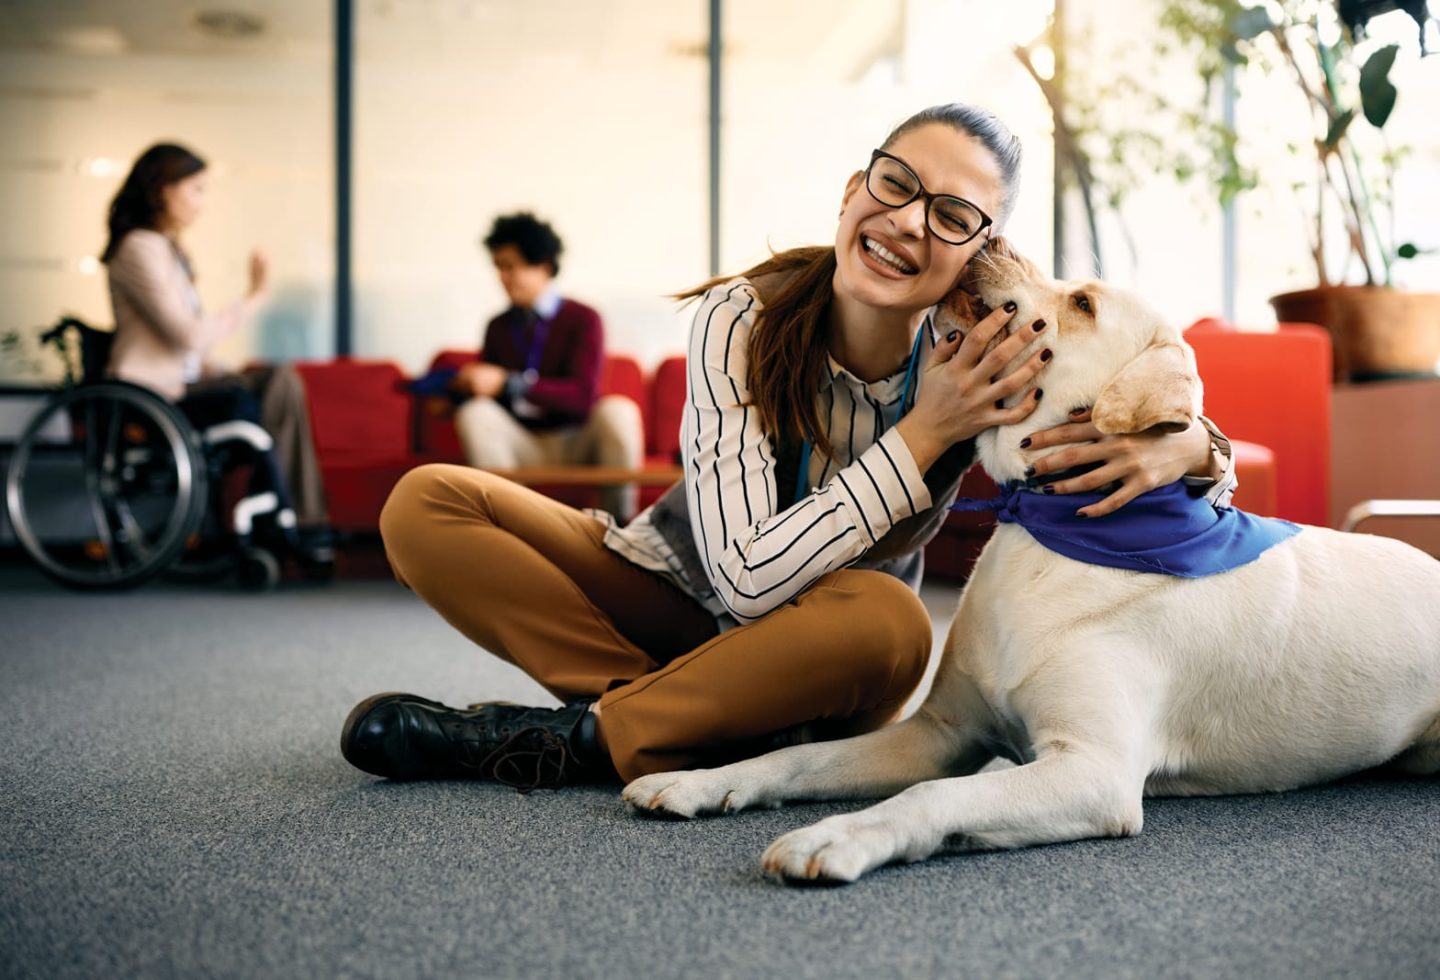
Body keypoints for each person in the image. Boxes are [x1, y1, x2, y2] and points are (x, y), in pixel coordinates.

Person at [340, 103, 1236, 789]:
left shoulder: (990, 343)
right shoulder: (744, 314)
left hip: (827, 647)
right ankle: (670, 721)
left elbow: (1123, 380)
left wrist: (1192, 448)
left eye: (953, 215)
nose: (910, 223)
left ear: (979, 251)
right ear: (853, 193)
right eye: (895, 185)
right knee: (428, 501)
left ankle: (589, 737)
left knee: (891, 624)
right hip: (673, 587)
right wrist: (928, 429)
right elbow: (741, 580)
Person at [101, 142, 333, 566]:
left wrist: (221, 368)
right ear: (162, 189)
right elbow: (185, 335)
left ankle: (288, 519)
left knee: (279, 380)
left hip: (183, 382)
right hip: (154, 397)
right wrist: (255, 297)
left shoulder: (168, 250)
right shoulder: (138, 248)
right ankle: (293, 522)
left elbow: (187, 348)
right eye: (196, 190)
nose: (202, 204)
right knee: (268, 390)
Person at [450, 212, 643, 520]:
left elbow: (582, 397)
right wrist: (461, 392)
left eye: (512, 266)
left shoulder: (583, 318)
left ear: (544, 266)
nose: (504, 276)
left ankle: (621, 531)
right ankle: (507, 527)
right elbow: (493, 401)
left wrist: (509, 382)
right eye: (499, 267)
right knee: (475, 414)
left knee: (620, 411)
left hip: (577, 438)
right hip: (522, 441)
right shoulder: (498, 326)